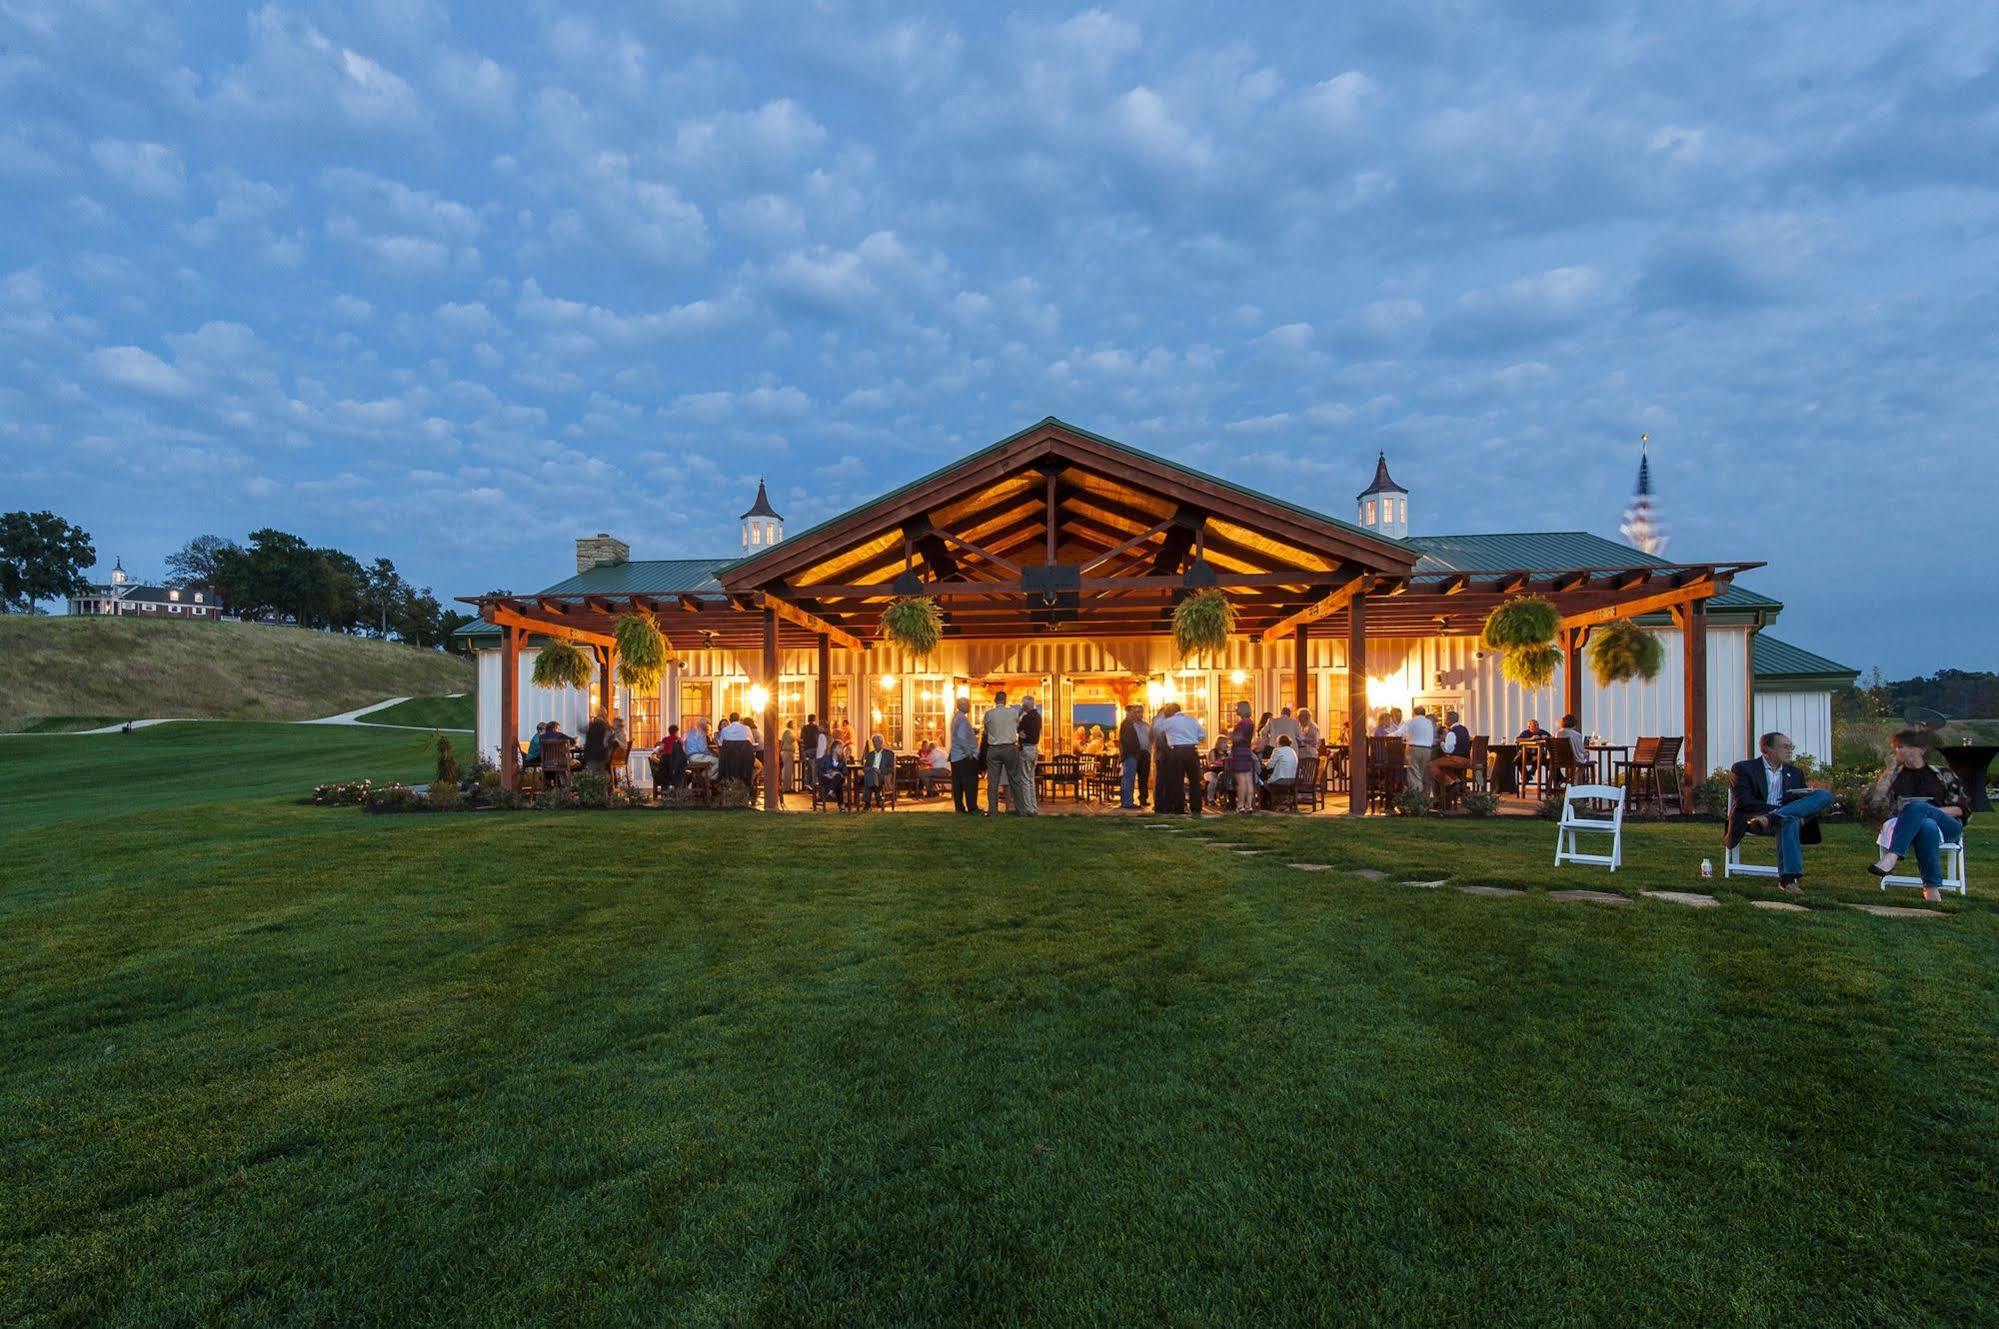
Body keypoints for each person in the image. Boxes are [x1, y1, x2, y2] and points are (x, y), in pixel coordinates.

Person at [1864, 729, 1973, 902]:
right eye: (1895, 748)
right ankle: (1931, 890)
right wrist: (1889, 771)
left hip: (1947, 826)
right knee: (1926, 826)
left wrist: (1927, 811)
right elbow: (1874, 805)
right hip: (1906, 827)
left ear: (1920, 749)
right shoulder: (1893, 776)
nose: (1897, 751)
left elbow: (1962, 808)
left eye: (1902, 747)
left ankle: (1893, 856)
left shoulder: (1941, 774)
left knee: (1918, 808)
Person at [1725, 730, 1835, 893]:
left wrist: (1778, 814)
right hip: (1754, 820)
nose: (1790, 750)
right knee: (1790, 818)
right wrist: (1784, 811)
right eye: (1785, 746)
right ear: (1766, 750)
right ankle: (1788, 880)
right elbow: (1745, 802)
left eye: (1791, 746)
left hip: (1777, 819)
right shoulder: (1743, 769)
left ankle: (1787, 880)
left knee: (1825, 796)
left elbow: (1801, 804)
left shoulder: (1795, 773)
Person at [982, 690, 1031, 816]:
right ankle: (1021, 810)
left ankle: (993, 810)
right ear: (1005, 700)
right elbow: (1016, 725)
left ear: (995, 700)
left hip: (993, 748)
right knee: (1015, 779)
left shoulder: (989, 714)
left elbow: (986, 731)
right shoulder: (1013, 712)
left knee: (993, 781)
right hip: (1009, 748)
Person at [1155, 702, 1206, 815]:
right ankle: (1196, 807)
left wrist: (1160, 718)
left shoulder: (1169, 721)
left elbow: (1157, 730)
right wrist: (1193, 738)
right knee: (1194, 780)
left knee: (1177, 781)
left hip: (1176, 751)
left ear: (1170, 711)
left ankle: (1179, 808)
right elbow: (1203, 735)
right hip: (1192, 750)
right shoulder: (1192, 720)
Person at [1427, 709, 1473, 801]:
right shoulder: (1464, 729)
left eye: (1446, 718)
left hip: (1456, 760)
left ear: (1450, 720)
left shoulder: (1451, 732)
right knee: (1444, 767)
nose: (1444, 720)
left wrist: (1442, 742)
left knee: (1431, 765)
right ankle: (1458, 782)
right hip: (1467, 760)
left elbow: (1448, 750)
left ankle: (1450, 784)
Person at [949, 697, 980, 813]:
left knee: (957, 784)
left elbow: (959, 735)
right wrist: (969, 753)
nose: (970, 706)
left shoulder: (956, 718)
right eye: (968, 704)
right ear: (961, 705)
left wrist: (971, 731)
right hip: (964, 756)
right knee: (970, 783)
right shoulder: (962, 719)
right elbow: (961, 737)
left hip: (955, 756)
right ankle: (972, 807)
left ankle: (959, 808)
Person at [1228, 701, 1257, 815]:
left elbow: (1237, 738)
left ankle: (1240, 806)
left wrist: (1231, 735)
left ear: (1242, 709)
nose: (1235, 709)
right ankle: (1249, 806)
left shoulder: (1242, 724)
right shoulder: (1250, 722)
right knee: (1248, 780)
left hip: (1239, 752)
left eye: (1237, 707)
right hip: (1247, 751)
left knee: (1240, 781)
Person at [1016, 695, 1042, 815]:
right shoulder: (1038, 716)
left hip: (1026, 748)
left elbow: (1016, 727)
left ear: (1025, 705)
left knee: (1025, 780)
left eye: (1023, 704)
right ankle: (1034, 807)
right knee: (1031, 779)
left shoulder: (1026, 718)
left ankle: (1028, 808)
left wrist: (1019, 713)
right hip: (1034, 749)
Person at [1118, 702, 1148, 809]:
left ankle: (1128, 801)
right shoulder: (1127, 724)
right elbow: (1127, 741)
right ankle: (1127, 802)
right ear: (1128, 712)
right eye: (1133, 712)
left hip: (1135, 754)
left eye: (1137, 712)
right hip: (1131, 755)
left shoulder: (1129, 723)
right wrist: (1135, 751)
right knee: (1128, 779)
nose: (1135, 715)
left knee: (1129, 778)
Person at [1402, 705, 1436, 796]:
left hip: (1414, 748)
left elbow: (1400, 732)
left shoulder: (1411, 721)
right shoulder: (1429, 723)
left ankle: (1416, 798)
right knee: (1422, 773)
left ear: (1414, 713)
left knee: (1413, 773)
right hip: (1427, 750)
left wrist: (1389, 735)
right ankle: (1424, 797)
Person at [717, 711, 756, 785]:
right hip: (744, 760)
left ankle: (730, 784)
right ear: (739, 719)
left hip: (729, 762)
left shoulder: (725, 730)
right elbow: (752, 742)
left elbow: (721, 744)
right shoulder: (746, 728)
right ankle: (748, 784)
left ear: (730, 720)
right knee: (758, 765)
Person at [1263, 734, 1299, 807]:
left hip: (1281, 779)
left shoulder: (1277, 750)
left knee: (1264, 783)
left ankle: (1269, 804)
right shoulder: (1293, 751)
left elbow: (1270, 766)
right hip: (1293, 779)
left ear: (1279, 743)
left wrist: (1265, 763)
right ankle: (1282, 801)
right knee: (1271, 782)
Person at [861, 733, 895, 809]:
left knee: (868, 778)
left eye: (877, 741)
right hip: (872, 774)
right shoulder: (870, 755)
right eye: (874, 742)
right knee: (871, 773)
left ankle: (867, 802)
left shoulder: (889, 754)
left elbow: (891, 768)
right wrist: (871, 770)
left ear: (882, 742)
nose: (875, 744)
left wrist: (880, 771)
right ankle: (878, 797)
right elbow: (865, 767)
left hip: (882, 775)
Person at [649, 724, 686, 791]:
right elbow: (683, 751)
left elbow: (661, 748)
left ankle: (665, 790)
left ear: (669, 732)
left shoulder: (665, 739)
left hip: (666, 761)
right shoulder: (680, 740)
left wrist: (658, 751)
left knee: (663, 771)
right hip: (676, 764)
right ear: (677, 731)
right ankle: (678, 790)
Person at [1554, 714, 1588, 784]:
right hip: (1573, 759)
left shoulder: (1558, 733)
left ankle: (1570, 779)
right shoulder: (1577, 735)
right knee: (1586, 756)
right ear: (1574, 723)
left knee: (1577, 758)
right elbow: (1581, 750)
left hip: (1559, 759)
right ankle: (1575, 781)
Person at [817, 739, 849, 806]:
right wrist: (827, 775)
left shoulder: (842, 761)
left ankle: (830, 792)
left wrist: (837, 773)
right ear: (834, 749)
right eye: (839, 748)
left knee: (838, 778)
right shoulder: (826, 758)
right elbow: (820, 771)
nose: (841, 750)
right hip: (826, 779)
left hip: (837, 780)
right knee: (838, 784)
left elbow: (845, 772)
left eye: (842, 748)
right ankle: (841, 804)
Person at [779, 720, 798, 793]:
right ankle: (786, 788)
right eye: (794, 724)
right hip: (787, 752)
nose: (795, 726)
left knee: (788, 770)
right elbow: (791, 739)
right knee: (788, 770)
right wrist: (796, 736)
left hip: (788, 752)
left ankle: (788, 787)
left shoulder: (787, 731)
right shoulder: (787, 731)